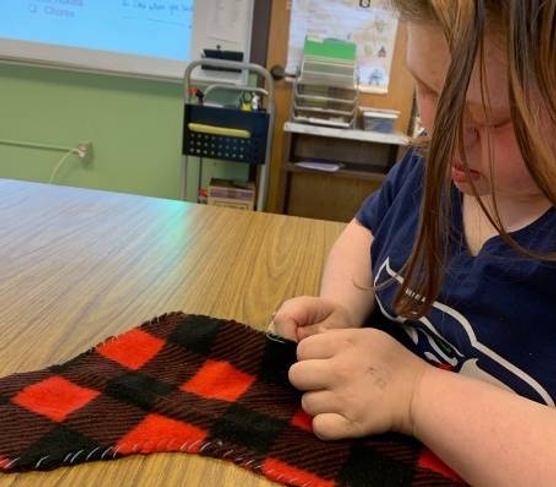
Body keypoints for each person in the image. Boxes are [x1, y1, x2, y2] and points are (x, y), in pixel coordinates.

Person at [270, 1, 556, 485]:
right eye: (427, 90)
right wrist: (341, 307)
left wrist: (415, 393)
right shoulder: (429, 167)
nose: (443, 135)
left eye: (490, 121)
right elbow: (366, 232)